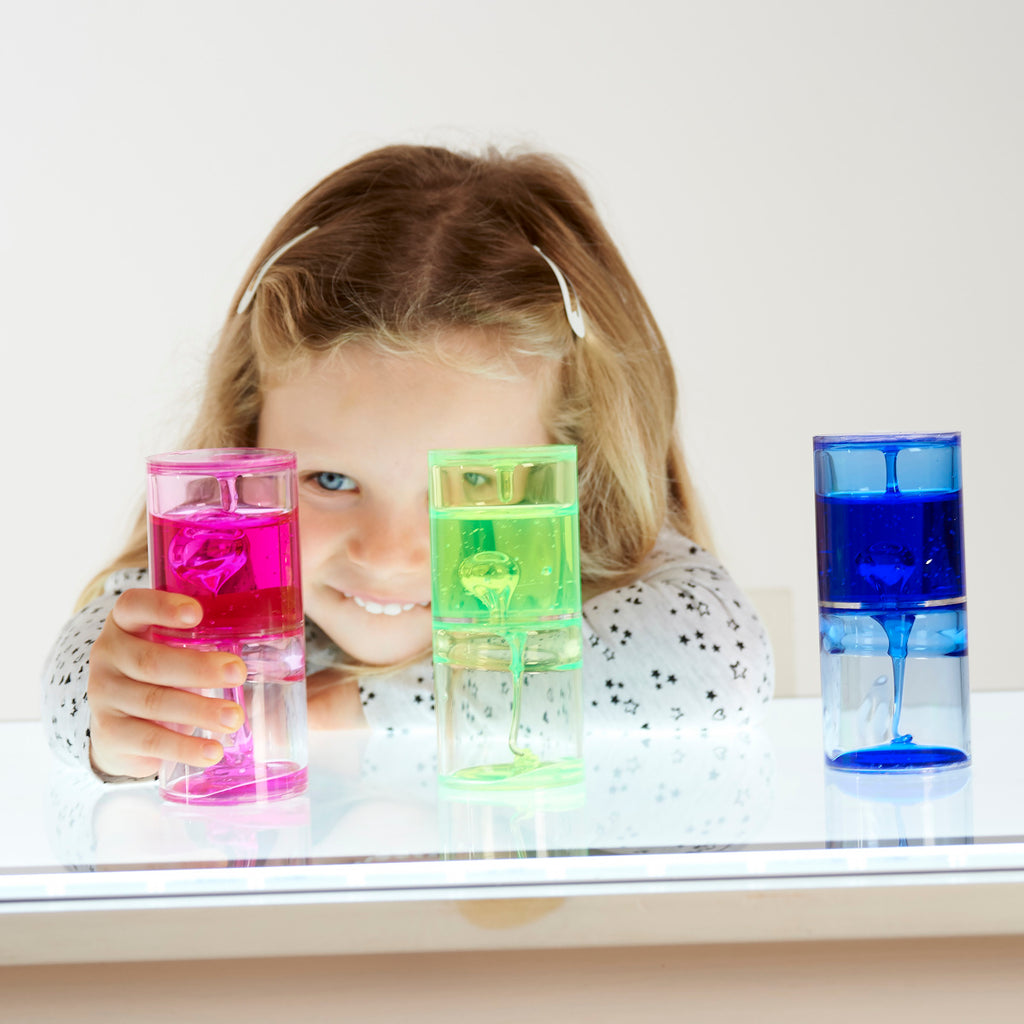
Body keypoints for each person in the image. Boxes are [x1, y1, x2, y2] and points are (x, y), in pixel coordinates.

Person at [42, 143, 774, 782]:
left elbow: (718, 662)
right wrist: (119, 713)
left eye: (471, 487)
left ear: (574, 476)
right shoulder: (233, 588)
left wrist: (351, 711)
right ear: (247, 454)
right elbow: (83, 667)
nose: (390, 556)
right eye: (331, 481)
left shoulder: (614, 590)